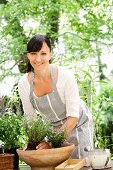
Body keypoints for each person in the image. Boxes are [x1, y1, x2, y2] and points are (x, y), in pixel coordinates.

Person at [18, 34, 93, 158]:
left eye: (43, 53)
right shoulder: (24, 83)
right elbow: (31, 118)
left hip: (78, 124)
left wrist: (51, 143)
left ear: (50, 54)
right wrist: (33, 143)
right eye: (33, 53)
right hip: (53, 128)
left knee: (79, 162)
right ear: (28, 55)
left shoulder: (65, 76)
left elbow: (73, 117)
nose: (38, 59)